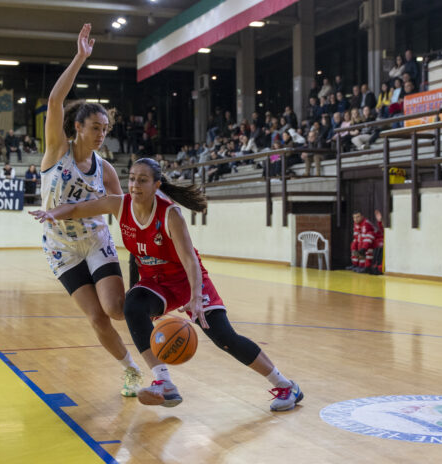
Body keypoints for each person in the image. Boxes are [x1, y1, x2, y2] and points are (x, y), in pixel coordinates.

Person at [30, 157, 303, 412]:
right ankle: (163, 381)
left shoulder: (171, 214)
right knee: (133, 307)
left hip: (187, 280)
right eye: (133, 179)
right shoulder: (119, 204)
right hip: (156, 283)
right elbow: (78, 208)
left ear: (156, 185)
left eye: (143, 180)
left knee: (224, 337)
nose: (135, 185)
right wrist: (54, 213)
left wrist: (196, 297)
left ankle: (286, 385)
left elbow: (190, 260)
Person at [28, 23, 142, 398]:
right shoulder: (56, 151)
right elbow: (55, 102)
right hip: (59, 247)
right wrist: (80, 57)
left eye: (106, 128)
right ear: (77, 128)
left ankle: (150, 315)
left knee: (116, 309)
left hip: (95, 241)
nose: (101, 133)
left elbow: (120, 211)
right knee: (95, 318)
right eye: (95, 127)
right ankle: (130, 370)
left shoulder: (106, 169)